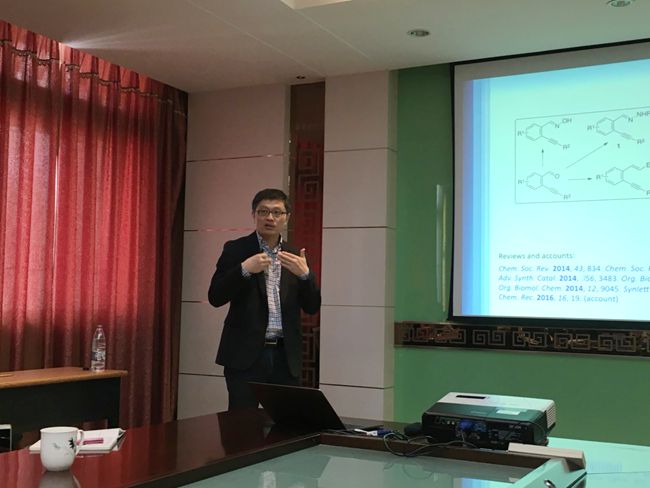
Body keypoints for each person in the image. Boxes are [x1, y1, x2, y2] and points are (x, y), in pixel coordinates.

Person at [208, 188, 321, 410]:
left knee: (286, 422)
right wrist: (244, 269)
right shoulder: (236, 249)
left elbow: (311, 306)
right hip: (245, 356)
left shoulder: (294, 255)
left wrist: (306, 276)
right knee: (242, 424)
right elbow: (215, 297)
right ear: (254, 215)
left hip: (285, 357)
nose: (270, 217)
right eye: (263, 211)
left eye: (277, 212)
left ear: (286, 218)